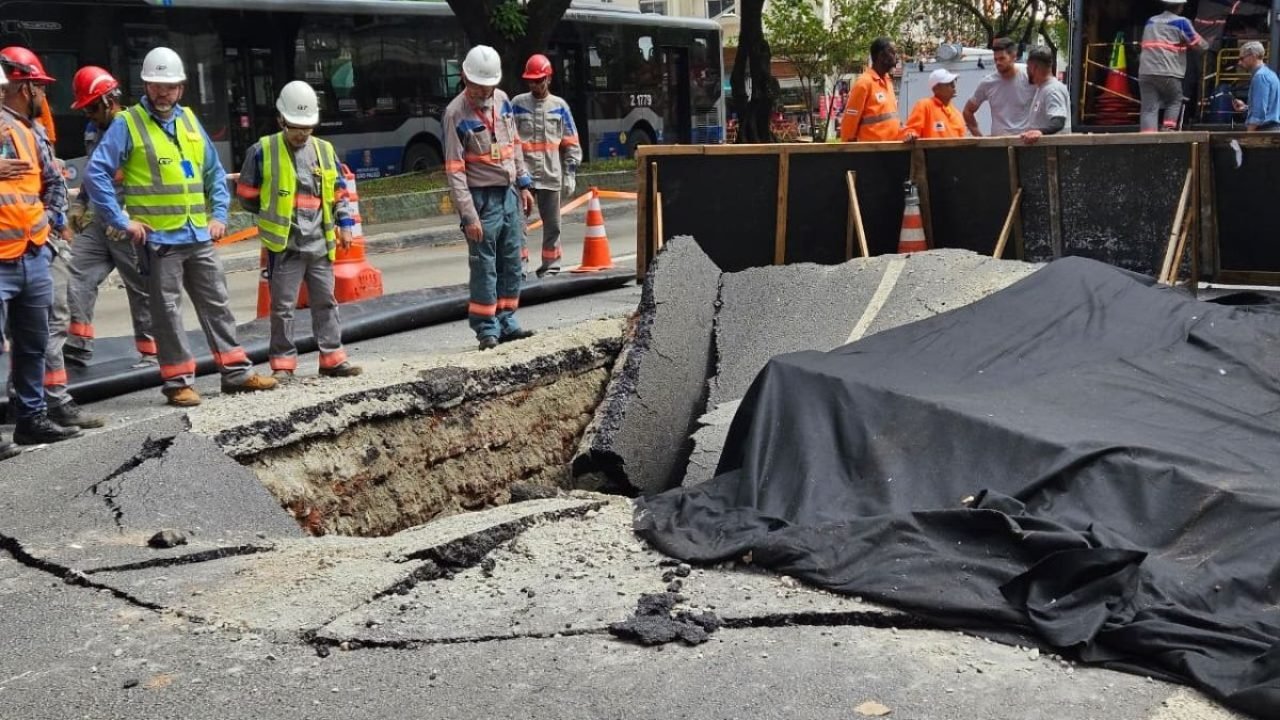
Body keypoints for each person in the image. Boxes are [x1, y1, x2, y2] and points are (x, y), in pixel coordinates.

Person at [85, 47, 276, 407]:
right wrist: (121, 219)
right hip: (159, 241)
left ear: (181, 88)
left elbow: (213, 172)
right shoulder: (128, 123)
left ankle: (235, 372)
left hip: (196, 234)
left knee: (216, 302)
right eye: (156, 85)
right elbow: (96, 173)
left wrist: (219, 215)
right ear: (145, 84)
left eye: (170, 86)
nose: (163, 92)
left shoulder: (188, 120)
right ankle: (177, 382)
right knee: (167, 312)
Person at [0, 47, 103, 431]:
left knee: (35, 339)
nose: (44, 97)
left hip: (31, 251)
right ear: (25, 87)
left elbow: (51, 183)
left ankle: (34, 416)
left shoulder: (30, 131)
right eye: (40, 88)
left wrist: (48, 224)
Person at [236, 80, 362, 382]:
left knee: (325, 302)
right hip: (285, 245)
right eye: (295, 126)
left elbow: (338, 193)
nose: (301, 133)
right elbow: (246, 195)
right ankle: (282, 364)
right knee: (282, 307)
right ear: (281, 119)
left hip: (319, 242)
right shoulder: (262, 151)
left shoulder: (324, 150)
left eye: (307, 127)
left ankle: (332, 358)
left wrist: (346, 225)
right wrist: (271, 215)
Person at [443, 45, 537, 351]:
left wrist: (523, 183)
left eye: (490, 86)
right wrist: (469, 215)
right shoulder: (455, 113)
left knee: (511, 259)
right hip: (481, 198)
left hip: (508, 193)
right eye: (480, 86)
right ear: (465, 79)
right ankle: (487, 329)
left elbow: (514, 144)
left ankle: (508, 320)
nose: (485, 92)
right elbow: (455, 171)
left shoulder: (502, 101)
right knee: (485, 266)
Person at [64, 65, 157, 369]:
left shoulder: (135, 128)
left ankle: (151, 350)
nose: (88, 114)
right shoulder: (93, 129)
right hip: (100, 218)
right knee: (76, 273)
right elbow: (95, 172)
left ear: (108, 101)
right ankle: (77, 344)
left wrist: (126, 215)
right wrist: (80, 205)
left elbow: (148, 178)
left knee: (140, 285)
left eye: (91, 107)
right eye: (85, 109)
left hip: (128, 222)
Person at [512, 53, 583, 278]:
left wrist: (570, 172)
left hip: (551, 176)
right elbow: (508, 140)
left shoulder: (559, 106)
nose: (535, 84)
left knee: (553, 226)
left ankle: (551, 266)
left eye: (539, 80)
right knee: (517, 225)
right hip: (523, 177)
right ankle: (519, 267)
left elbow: (571, 141)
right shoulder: (517, 105)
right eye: (531, 80)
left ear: (548, 79)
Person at [1138, 0, 1208, 132]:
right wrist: (1207, 45)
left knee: (1149, 108)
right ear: (1180, 7)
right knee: (1174, 100)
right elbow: (1198, 44)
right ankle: (1168, 131)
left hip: (1145, 72)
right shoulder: (1181, 22)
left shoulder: (1150, 21)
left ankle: (1148, 139)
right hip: (1168, 71)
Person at [963, 37, 1036, 137]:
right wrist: (980, 138)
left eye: (1002, 58)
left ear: (1013, 56)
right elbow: (967, 111)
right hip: (999, 143)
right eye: (995, 59)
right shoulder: (988, 83)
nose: (998, 63)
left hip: (1025, 142)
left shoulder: (1030, 78)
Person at [840, 38, 901, 142]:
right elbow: (850, 120)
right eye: (892, 52)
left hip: (892, 148)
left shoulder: (887, 81)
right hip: (872, 152)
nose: (896, 57)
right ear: (881, 55)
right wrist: (847, 150)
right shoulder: (864, 83)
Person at [1020, 46, 1071, 144]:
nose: (1026, 71)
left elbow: (1058, 121)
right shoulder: (1043, 88)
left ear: (1034, 67)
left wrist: (1040, 132)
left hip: (1052, 154)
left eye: (1028, 67)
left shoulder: (1052, 90)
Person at [902, 69, 967, 140]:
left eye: (954, 82)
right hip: (930, 151)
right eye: (949, 83)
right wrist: (910, 134)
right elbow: (909, 132)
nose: (953, 86)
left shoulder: (956, 113)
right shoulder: (924, 106)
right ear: (936, 88)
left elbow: (962, 140)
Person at [1231, 41, 1280, 131]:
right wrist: (1246, 107)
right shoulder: (1270, 74)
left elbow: (1259, 112)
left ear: (1253, 56)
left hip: (1265, 131)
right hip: (1272, 129)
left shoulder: (1260, 77)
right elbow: (1269, 106)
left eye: (1242, 58)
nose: (1239, 62)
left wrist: (1249, 135)